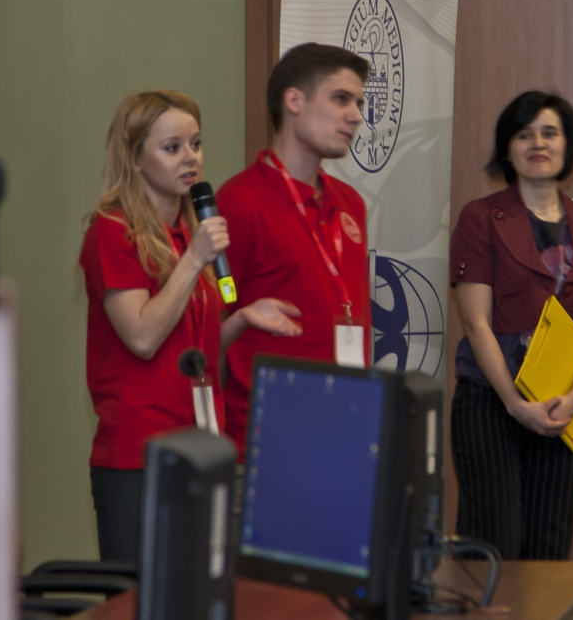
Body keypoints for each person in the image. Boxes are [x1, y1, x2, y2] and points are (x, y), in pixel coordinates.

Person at [79, 90, 297, 561]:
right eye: (172, 147)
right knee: (141, 595)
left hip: (200, 446)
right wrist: (195, 259)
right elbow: (142, 336)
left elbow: (194, 353)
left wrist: (241, 318)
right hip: (139, 455)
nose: (190, 158)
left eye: (195, 144)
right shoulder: (113, 231)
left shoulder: (187, 232)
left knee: (201, 589)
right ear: (135, 159)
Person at [449, 91, 573, 560]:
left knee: (548, 552)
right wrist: (513, 403)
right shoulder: (480, 218)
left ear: (568, 145)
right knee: (492, 550)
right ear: (508, 148)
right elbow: (476, 322)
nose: (538, 144)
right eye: (524, 134)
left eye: (550, 133)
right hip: (491, 401)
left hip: (562, 406)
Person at [217, 43, 373, 461]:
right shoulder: (239, 202)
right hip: (268, 440)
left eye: (358, 103)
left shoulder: (351, 203)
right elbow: (212, 326)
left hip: (345, 430)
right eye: (340, 98)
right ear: (294, 100)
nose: (355, 115)